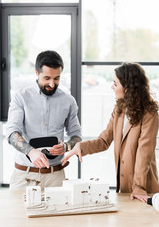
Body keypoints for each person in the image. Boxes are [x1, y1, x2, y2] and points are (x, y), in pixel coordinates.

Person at [62, 62, 159, 203]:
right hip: (125, 187)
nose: (112, 87)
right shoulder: (119, 110)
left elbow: (145, 152)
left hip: (144, 188)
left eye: (115, 83)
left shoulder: (149, 113)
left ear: (128, 88)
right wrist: (81, 147)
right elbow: (104, 141)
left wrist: (138, 186)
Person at [6, 50, 82, 190]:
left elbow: (76, 136)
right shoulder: (21, 97)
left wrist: (66, 147)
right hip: (24, 177)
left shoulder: (68, 101)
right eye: (47, 78)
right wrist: (31, 151)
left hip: (56, 177)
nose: (52, 84)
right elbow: (11, 133)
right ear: (36, 73)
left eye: (56, 78)